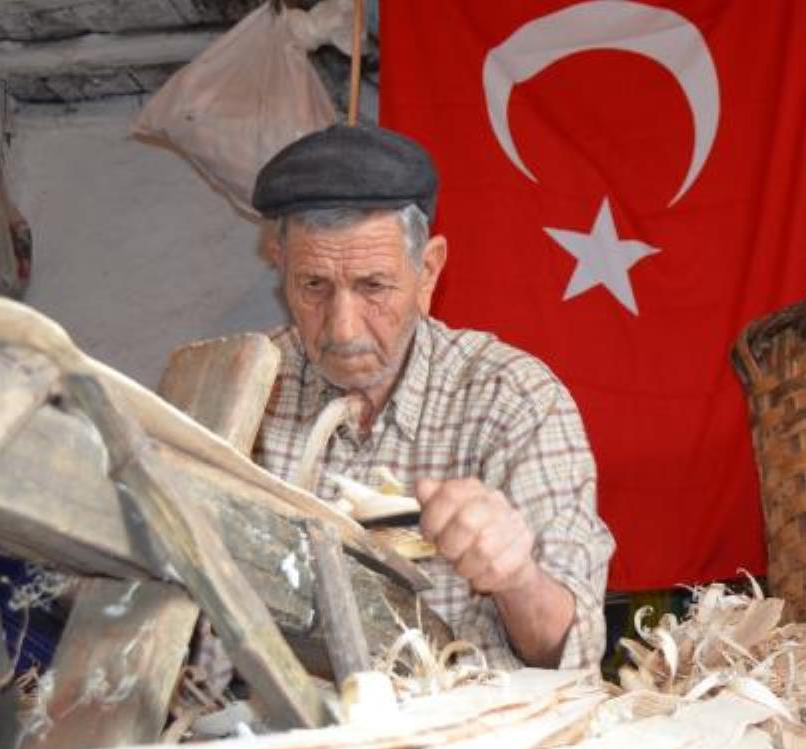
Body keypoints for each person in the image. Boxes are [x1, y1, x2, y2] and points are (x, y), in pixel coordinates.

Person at [250, 124, 615, 670]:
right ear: (281, 269)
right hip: (280, 740)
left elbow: (569, 652)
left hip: (467, 741)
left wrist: (517, 578)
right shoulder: (250, 388)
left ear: (428, 272)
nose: (343, 328)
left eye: (373, 286)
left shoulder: (513, 399)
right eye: (314, 287)